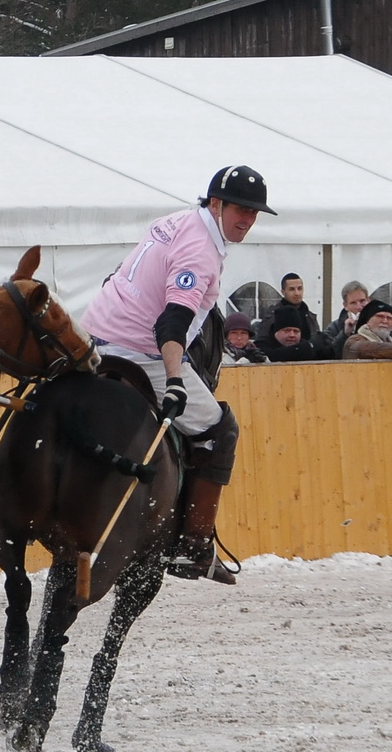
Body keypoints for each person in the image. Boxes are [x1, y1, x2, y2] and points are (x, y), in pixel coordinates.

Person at [81, 165, 272, 584]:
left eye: (255, 212)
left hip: (92, 338)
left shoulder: (172, 221)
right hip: (140, 350)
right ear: (216, 204)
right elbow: (171, 324)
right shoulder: (200, 251)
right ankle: (194, 546)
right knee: (220, 429)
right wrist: (173, 380)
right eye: (241, 209)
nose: (248, 219)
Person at [341, 299, 392, 363]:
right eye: (380, 316)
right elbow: (367, 349)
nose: (385, 321)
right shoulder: (354, 340)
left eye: (389, 318)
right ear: (368, 321)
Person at [255, 272, 321, 347]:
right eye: (292, 289)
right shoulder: (273, 316)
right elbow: (261, 343)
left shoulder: (310, 317)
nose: (297, 293)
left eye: (299, 288)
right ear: (283, 292)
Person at [262, 304, 330, 362]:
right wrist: (310, 346)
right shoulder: (261, 345)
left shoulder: (303, 344)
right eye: (287, 331)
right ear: (276, 331)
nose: (292, 335)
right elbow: (275, 356)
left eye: (296, 331)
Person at [322, 280, 370, 350]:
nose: (359, 307)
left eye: (362, 301)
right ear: (345, 305)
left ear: (368, 301)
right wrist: (345, 333)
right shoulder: (334, 328)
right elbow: (330, 353)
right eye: (353, 303)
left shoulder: (383, 321)